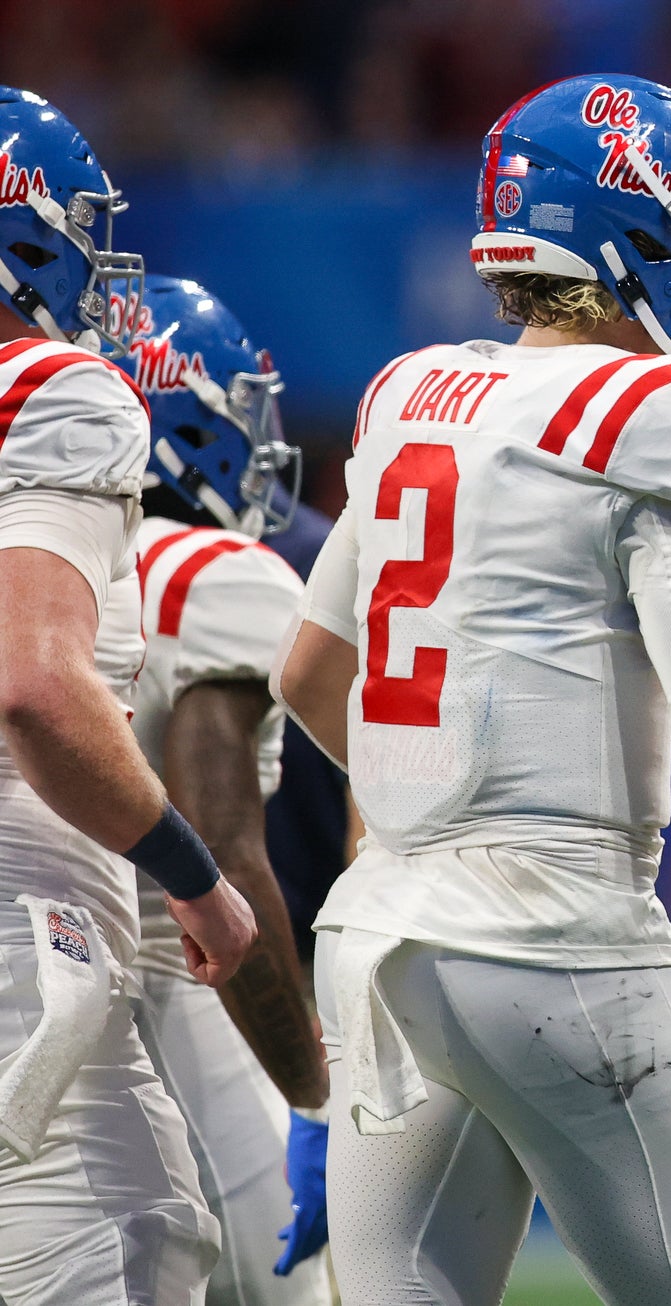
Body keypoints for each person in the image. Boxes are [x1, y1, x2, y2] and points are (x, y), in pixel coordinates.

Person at [275, 75, 671, 1305]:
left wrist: (423, 796)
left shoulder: (409, 392)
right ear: (633, 223)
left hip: (381, 939)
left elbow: (310, 674)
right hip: (557, 936)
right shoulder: (656, 408)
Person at [0, 86, 257, 1303]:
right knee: (132, 1235)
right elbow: (36, 688)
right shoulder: (53, 389)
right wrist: (196, 877)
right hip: (24, 938)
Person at [117, 276, 333, 1304]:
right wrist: (314, 1098)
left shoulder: (37, 554)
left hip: (35, 970)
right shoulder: (217, 576)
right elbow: (225, 855)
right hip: (161, 976)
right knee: (292, 1281)